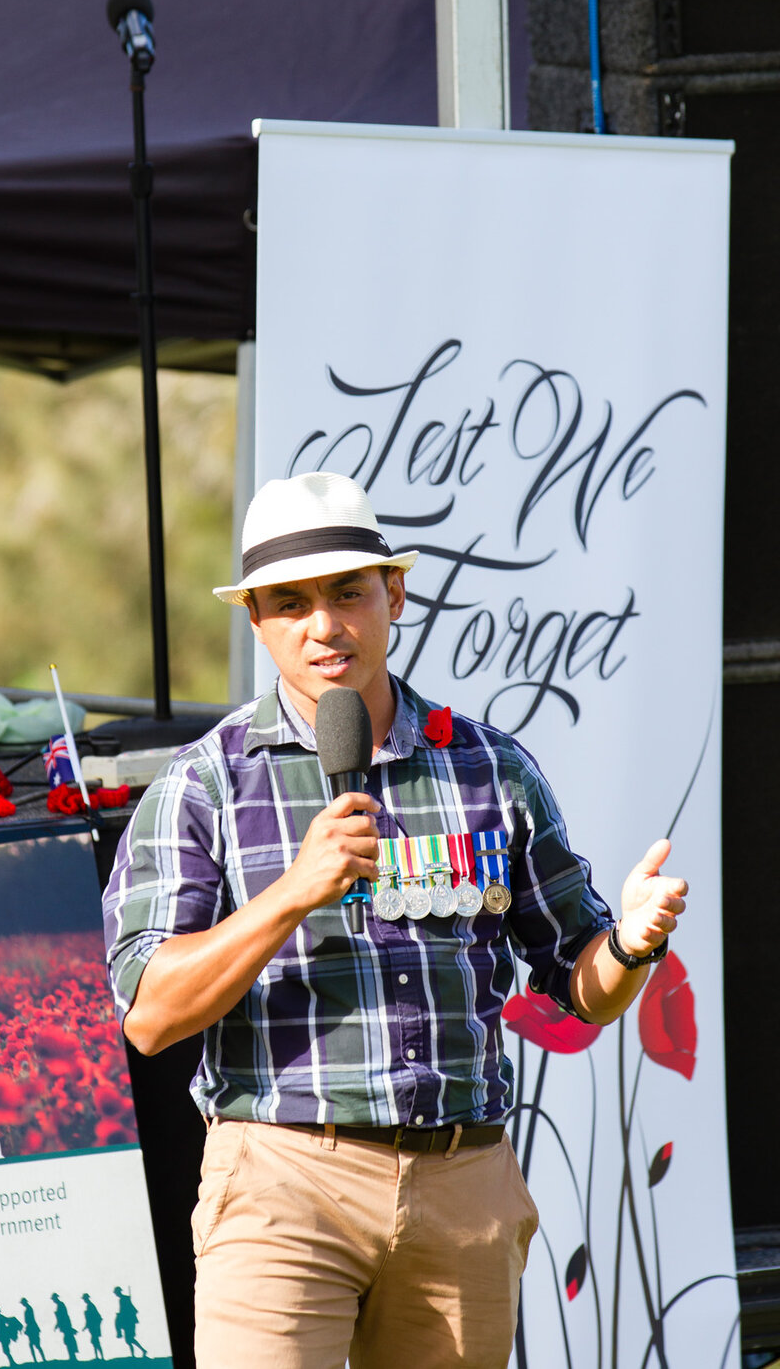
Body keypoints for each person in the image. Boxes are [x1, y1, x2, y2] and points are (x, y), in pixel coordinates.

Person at [103, 471, 688, 1369]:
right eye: (290, 603)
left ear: (396, 595)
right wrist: (293, 892)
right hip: (281, 1178)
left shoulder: (492, 769)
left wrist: (633, 945)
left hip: (462, 1185)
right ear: (256, 621)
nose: (324, 625)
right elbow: (150, 1015)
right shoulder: (205, 783)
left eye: (348, 592)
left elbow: (584, 989)